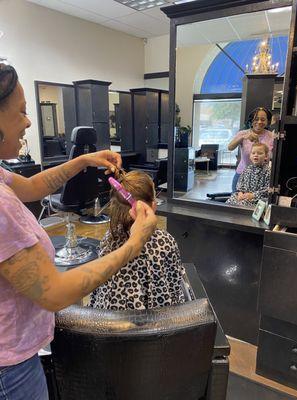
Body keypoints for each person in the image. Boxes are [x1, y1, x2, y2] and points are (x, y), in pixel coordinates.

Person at [0, 64, 157, 400]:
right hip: (8, 370)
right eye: (22, 112)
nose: (28, 121)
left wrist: (83, 161)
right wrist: (134, 244)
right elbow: (54, 293)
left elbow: (31, 186)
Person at [89, 170, 186, 310]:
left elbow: (97, 293)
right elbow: (175, 286)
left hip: (108, 321)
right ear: (152, 206)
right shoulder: (165, 242)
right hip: (157, 322)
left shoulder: (108, 240)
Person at [228, 107, 274, 192]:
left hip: (262, 178)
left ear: (267, 122)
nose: (259, 122)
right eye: (256, 119)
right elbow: (230, 147)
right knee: (236, 202)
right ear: (251, 120)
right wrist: (242, 137)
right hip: (242, 174)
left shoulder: (272, 136)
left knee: (257, 203)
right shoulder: (243, 133)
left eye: (263, 119)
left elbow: (274, 157)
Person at [226, 143, 271, 207]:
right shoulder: (247, 169)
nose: (256, 155)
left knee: (243, 204)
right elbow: (240, 182)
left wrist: (253, 195)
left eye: (259, 153)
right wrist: (240, 193)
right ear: (250, 156)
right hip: (243, 195)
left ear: (266, 156)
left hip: (257, 199)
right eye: (253, 153)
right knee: (229, 201)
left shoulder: (268, 171)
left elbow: (267, 189)